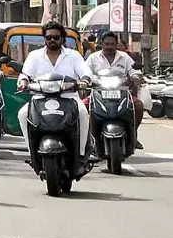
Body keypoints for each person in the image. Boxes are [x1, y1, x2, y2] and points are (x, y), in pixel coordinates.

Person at [16, 21, 93, 161]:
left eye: (56, 37)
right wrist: (23, 82)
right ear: (44, 39)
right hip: (40, 98)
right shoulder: (34, 56)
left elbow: (86, 73)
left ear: (62, 38)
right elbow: (25, 74)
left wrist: (84, 81)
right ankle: (32, 152)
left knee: (83, 113)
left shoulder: (73, 55)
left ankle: (81, 154)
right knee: (22, 114)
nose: (52, 40)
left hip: (69, 97)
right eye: (48, 37)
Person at [87, 30, 143, 148]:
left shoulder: (125, 57)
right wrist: (87, 80)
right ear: (102, 44)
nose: (109, 47)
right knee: (82, 107)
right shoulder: (93, 58)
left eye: (112, 44)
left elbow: (134, 71)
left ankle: (133, 134)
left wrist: (135, 78)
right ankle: (88, 138)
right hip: (98, 94)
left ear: (116, 45)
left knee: (138, 106)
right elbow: (85, 73)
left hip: (121, 93)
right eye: (107, 44)